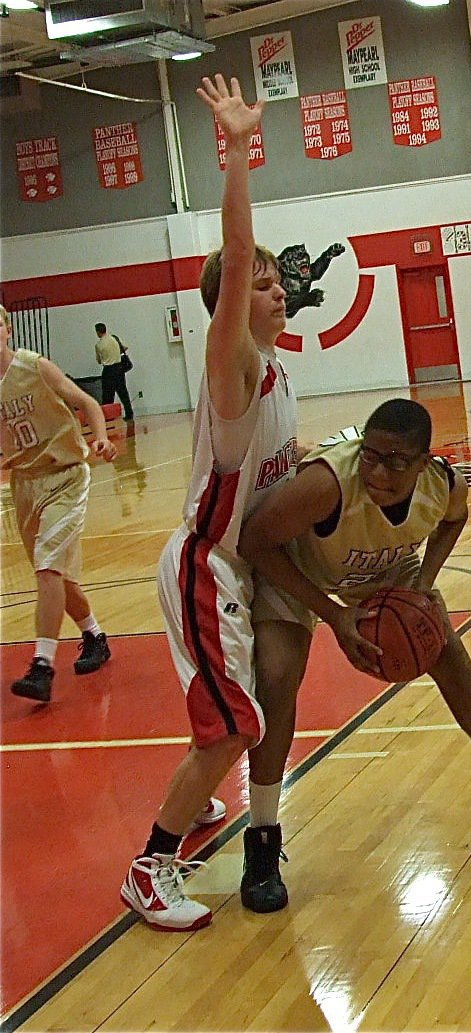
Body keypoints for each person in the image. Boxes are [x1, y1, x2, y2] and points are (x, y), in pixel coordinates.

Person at [238, 399, 471, 903]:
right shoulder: (327, 484)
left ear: (423, 462)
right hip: (295, 571)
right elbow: (255, 540)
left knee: (454, 662)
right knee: (279, 678)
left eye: (396, 462)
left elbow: (454, 520)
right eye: (370, 455)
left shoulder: (444, 486)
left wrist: (423, 581)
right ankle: (261, 841)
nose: (378, 471)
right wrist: (331, 614)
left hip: (380, 572)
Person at [120, 74, 312, 932]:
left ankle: (193, 804)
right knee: (238, 724)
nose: (275, 286)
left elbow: (286, 469)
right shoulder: (231, 361)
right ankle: (151, 866)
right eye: (264, 281)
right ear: (235, 304)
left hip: (225, 565)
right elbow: (235, 258)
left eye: (278, 281)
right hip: (205, 562)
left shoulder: (282, 374)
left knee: (227, 713)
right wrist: (237, 150)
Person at [0, 304, 116, 703]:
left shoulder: (34, 367)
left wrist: (100, 437)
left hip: (65, 475)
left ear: (8, 330)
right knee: (58, 576)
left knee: (48, 566)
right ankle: (95, 636)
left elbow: (87, 401)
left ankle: (42, 666)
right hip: (25, 483)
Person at [94, 322, 134, 421]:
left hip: (108, 371)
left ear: (98, 332)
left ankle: (109, 417)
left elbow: (99, 361)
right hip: (119, 369)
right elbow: (124, 348)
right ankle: (129, 414)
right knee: (123, 393)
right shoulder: (114, 338)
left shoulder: (98, 345)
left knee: (108, 395)